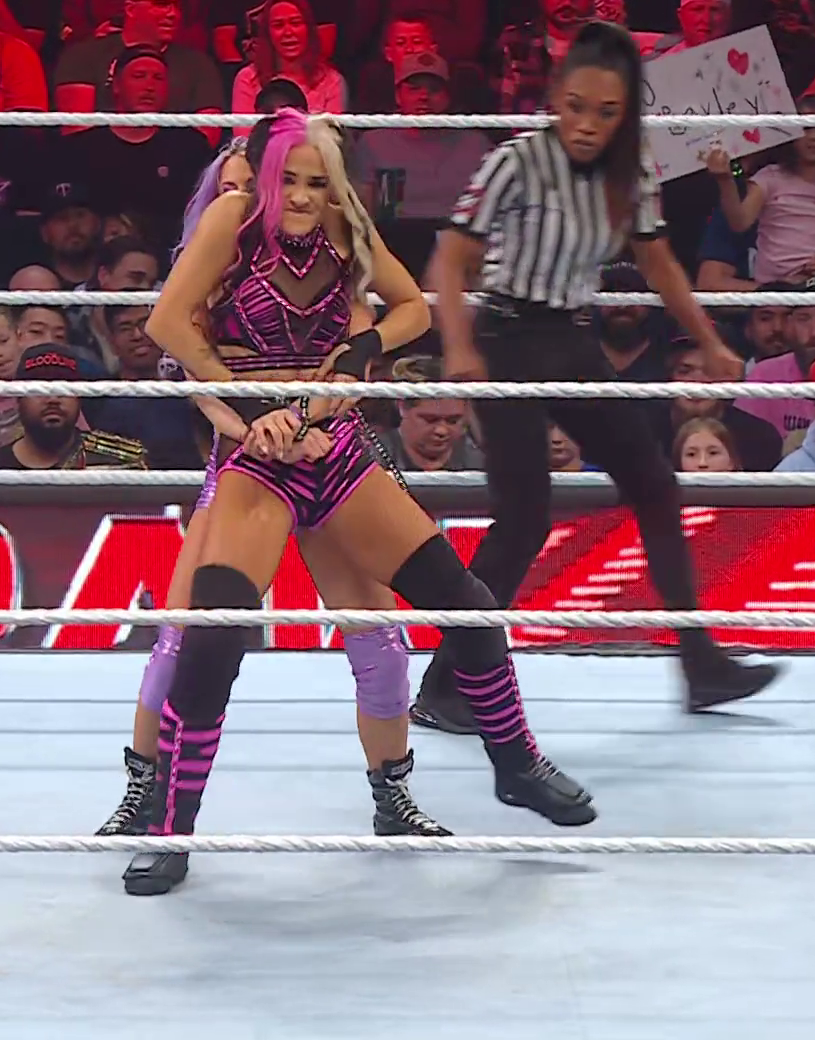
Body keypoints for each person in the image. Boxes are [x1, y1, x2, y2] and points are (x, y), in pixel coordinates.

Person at [126, 108, 596, 896]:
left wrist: (358, 353)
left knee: (467, 606)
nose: (302, 197)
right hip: (257, 457)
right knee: (211, 637)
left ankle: (515, 764)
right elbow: (167, 323)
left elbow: (412, 308)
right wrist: (247, 405)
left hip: (337, 449)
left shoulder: (347, 229)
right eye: (290, 180)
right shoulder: (232, 221)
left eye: (317, 182)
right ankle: (169, 828)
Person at [412, 21, 779, 732]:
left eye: (605, 112)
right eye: (576, 106)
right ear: (556, 98)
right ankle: (445, 684)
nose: (586, 125)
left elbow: (658, 262)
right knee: (523, 519)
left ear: (625, 113)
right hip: (508, 335)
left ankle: (701, 664)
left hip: (571, 337)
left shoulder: (630, 170)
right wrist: (457, 346)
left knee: (655, 484)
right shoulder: (515, 161)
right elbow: (449, 259)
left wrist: (709, 338)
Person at [98, 137, 449, 843]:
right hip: (245, 466)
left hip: (332, 461)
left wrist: (314, 418)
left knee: (380, 638)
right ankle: (145, 792)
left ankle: (394, 794)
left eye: (261, 187)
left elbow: (358, 362)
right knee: (184, 635)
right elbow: (200, 383)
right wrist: (261, 426)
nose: (260, 202)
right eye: (238, 189)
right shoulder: (212, 277)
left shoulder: (331, 260)